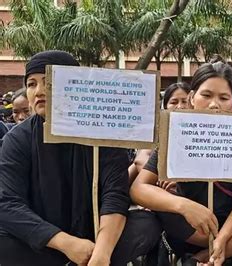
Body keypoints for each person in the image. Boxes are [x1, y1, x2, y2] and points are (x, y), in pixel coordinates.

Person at [0, 50, 161, 265]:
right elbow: (7, 202)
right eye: (31, 84)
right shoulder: (17, 139)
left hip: (95, 237)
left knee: (147, 224)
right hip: (44, 242)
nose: (39, 91)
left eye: (49, 81)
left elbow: (115, 194)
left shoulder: (103, 134)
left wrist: (102, 253)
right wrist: (66, 243)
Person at [131, 61, 232, 265]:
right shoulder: (175, 136)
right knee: (160, 205)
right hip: (189, 228)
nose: (214, 104)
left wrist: (223, 236)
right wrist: (184, 206)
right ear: (192, 97)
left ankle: (206, 256)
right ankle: (229, 252)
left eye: (223, 98)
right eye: (206, 95)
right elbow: (138, 188)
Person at [129, 82, 191, 185]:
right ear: (165, 106)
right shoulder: (158, 129)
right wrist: (161, 179)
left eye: (184, 101)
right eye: (174, 102)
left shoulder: (200, 132)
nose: (180, 106)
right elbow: (140, 159)